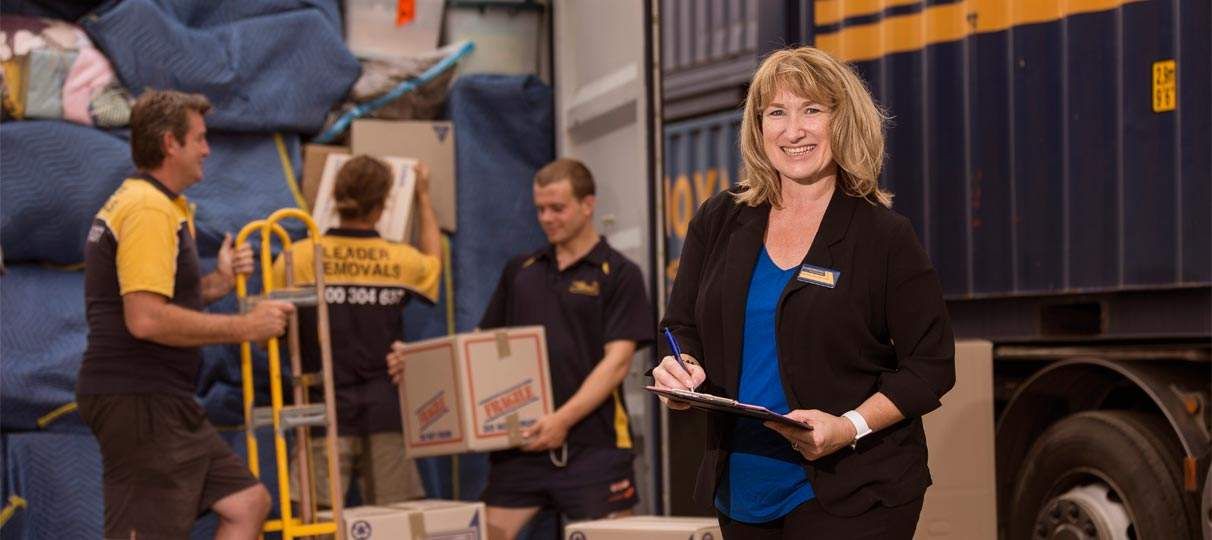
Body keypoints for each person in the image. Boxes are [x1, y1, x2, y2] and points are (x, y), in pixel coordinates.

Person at [651, 46, 956, 539]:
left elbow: (932, 364)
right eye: (777, 113)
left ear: (843, 122)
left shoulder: (882, 236)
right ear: (758, 127)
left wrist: (849, 426)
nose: (794, 131)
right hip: (744, 485)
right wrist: (679, 369)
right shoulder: (719, 219)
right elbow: (680, 327)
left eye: (812, 110)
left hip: (854, 490)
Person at [389, 158, 653, 540]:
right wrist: (414, 366)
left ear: (588, 204)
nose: (547, 218)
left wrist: (562, 420)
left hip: (594, 449)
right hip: (521, 448)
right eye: (540, 209)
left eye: (557, 208)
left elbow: (617, 363)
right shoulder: (521, 269)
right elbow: (475, 351)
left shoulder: (619, 273)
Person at [76, 89, 295, 539]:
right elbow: (147, 319)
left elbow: (154, 299)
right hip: (140, 399)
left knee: (247, 503)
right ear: (170, 143)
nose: (207, 149)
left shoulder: (158, 205)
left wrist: (218, 282)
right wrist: (246, 327)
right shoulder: (146, 209)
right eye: (199, 138)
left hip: (160, 399)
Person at [274, 155, 441, 508]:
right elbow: (434, 265)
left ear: (333, 197)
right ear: (382, 206)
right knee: (394, 523)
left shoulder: (298, 258)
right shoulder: (401, 261)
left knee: (315, 527)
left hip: (320, 412)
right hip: (384, 412)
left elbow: (266, 333)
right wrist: (423, 196)